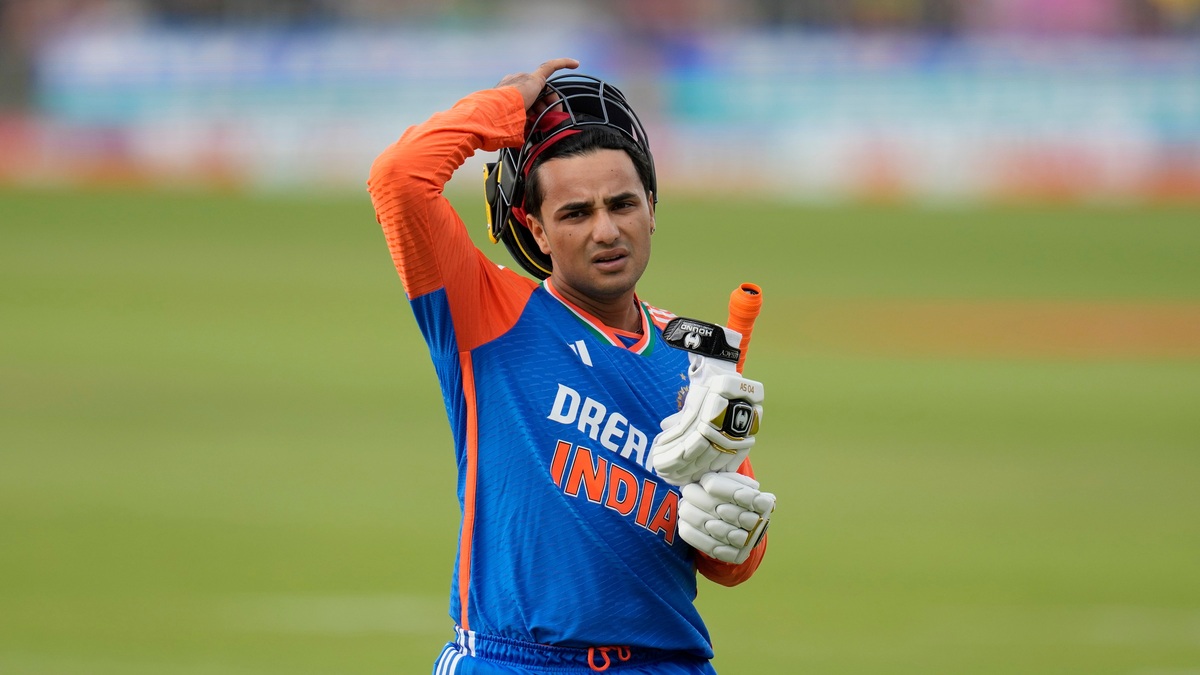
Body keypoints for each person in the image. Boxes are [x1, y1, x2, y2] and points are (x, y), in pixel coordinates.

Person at [367, 58, 777, 674]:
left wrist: (737, 536)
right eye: (576, 213)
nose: (606, 231)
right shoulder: (485, 312)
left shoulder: (700, 352)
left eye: (622, 204)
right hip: (516, 661)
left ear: (652, 208)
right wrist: (507, 105)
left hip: (667, 662)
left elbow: (728, 559)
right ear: (535, 229)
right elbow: (399, 177)